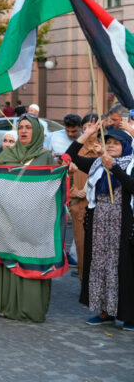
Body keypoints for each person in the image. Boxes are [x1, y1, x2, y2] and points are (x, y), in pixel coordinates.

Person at [67, 122, 134, 331]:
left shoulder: (131, 163)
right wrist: (85, 136)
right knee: (100, 266)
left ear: (126, 145)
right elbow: (71, 157)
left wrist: (113, 166)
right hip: (99, 224)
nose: (112, 146)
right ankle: (105, 311)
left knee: (123, 268)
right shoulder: (97, 164)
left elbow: (131, 186)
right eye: (109, 142)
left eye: (117, 143)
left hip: (123, 226)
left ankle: (129, 315)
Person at [0, 115, 56, 322]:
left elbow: (53, 188)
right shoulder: (6, 155)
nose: (24, 131)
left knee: (33, 261)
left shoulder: (46, 159)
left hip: (36, 222)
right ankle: (7, 305)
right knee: (11, 261)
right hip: (9, 221)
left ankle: (31, 307)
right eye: (21, 127)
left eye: (29, 127)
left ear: (37, 132)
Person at [67, 114, 103, 283]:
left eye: (94, 127)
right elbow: (63, 180)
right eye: (87, 126)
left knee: (101, 250)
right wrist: (74, 192)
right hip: (80, 208)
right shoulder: (76, 151)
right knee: (81, 248)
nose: (91, 130)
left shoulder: (105, 151)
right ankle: (84, 284)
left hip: (102, 209)